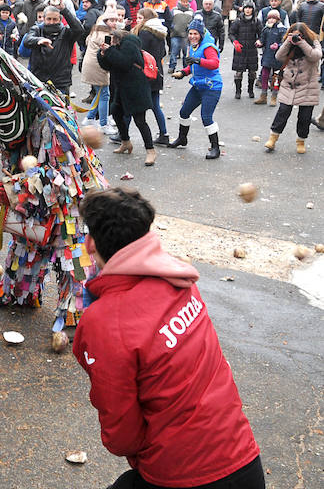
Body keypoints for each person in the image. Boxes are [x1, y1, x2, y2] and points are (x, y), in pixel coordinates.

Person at [74, 187, 264, 489]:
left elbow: (122, 435)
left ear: (89, 243)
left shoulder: (104, 320)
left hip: (181, 476)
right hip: (245, 463)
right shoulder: (181, 279)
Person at [97, 31, 156, 166]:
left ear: (117, 37)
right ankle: (125, 142)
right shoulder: (115, 47)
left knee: (140, 120)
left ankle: (150, 150)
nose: (110, 41)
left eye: (112, 39)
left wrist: (110, 50)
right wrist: (102, 55)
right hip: (122, 88)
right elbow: (108, 66)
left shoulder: (130, 43)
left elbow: (124, 62)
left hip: (136, 88)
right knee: (116, 113)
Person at [168, 17, 223, 159]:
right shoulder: (192, 46)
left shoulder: (208, 46)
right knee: (184, 111)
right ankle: (182, 138)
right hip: (198, 85)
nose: (192, 36)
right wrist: (183, 72)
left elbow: (214, 63)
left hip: (211, 87)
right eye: (190, 33)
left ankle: (215, 148)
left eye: (195, 34)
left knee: (206, 117)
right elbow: (193, 66)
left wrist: (198, 60)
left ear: (201, 34)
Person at [263, 23, 321, 154]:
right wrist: (289, 42)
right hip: (289, 84)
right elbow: (278, 56)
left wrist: (301, 42)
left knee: (305, 116)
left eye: (299, 35)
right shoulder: (288, 43)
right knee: (283, 111)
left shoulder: (314, 42)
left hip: (308, 86)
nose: (296, 37)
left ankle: (301, 140)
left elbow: (315, 56)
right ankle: (273, 138)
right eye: (294, 34)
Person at [20, 4, 84, 96]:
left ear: (60, 20)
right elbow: (27, 40)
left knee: (60, 110)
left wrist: (64, 10)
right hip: (39, 80)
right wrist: (38, 40)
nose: (51, 22)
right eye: (49, 19)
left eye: (55, 19)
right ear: (44, 19)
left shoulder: (66, 33)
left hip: (60, 82)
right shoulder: (37, 30)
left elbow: (79, 30)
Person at [134, 8, 169, 145]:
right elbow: (164, 53)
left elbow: (139, 54)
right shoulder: (159, 32)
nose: (137, 20)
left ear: (146, 19)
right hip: (157, 72)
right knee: (155, 106)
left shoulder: (144, 33)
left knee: (132, 104)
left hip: (145, 74)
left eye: (139, 18)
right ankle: (164, 133)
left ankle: (122, 134)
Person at [228, 1, 261, 99]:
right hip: (240, 50)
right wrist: (235, 42)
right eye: (246, 8)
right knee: (238, 72)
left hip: (252, 50)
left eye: (250, 8)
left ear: (253, 9)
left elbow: (262, 33)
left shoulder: (256, 21)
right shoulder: (238, 21)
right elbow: (231, 33)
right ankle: (238, 91)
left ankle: (250, 90)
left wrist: (260, 41)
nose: (248, 10)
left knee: (252, 72)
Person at [255, 9, 286, 106]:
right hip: (267, 55)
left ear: (278, 19)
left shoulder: (282, 29)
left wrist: (278, 45)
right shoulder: (266, 29)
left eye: (274, 18)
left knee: (276, 77)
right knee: (264, 75)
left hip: (278, 57)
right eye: (270, 18)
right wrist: (259, 43)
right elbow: (262, 39)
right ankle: (263, 96)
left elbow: (284, 42)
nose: (271, 20)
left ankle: (274, 96)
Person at [168, 0, 194, 73]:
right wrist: (172, 28)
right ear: (179, 2)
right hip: (175, 34)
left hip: (186, 35)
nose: (185, 3)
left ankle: (185, 68)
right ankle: (172, 66)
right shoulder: (174, 10)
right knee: (174, 51)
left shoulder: (191, 12)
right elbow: (169, 20)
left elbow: (193, 22)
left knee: (186, 52)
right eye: (183, 1)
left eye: (186, 1)